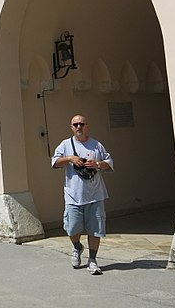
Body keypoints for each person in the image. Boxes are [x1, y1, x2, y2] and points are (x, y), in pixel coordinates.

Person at [52, 115, 113, 275]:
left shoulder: (96, 145)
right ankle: (77, 247)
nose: (79, 127)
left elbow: (109, 163)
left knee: (95, 230)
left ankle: (92, 260)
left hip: (95, 195)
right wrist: (70, 159)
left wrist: (97, 164)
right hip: (73, 195)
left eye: (82, 124)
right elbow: (54, 162)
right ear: (71, 127)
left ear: (87, 126)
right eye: (75, 124)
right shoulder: (65, 145)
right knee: (72, 228)